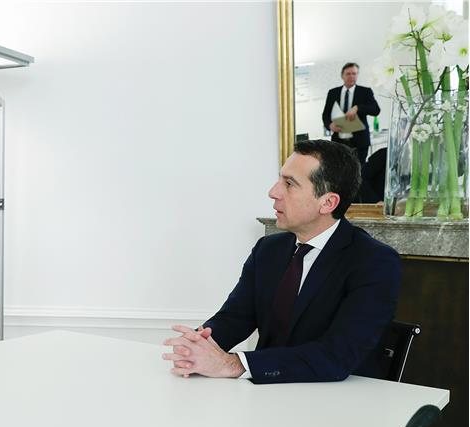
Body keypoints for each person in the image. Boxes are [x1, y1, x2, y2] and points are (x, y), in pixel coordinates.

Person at [162, 140, 401, 384]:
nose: (273, 192)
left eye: (289, 184)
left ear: (328, 203)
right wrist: (198, 346)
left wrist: (232, 364)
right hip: (267, 395)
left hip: (341, 399)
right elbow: (234, 319)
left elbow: (336, 356)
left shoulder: (375, 262)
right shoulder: (268, 249)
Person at [321, 62, 380, 163]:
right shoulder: (333, 93)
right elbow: (326, 114)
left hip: (360, 142)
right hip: (338, 141)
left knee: (359, 169)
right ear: (342, 76)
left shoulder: (365, 91)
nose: (351, 76)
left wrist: (358, 108)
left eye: (354, 73)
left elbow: (376, 110)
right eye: (348, 74)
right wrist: (330, 125)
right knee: (339, 169)